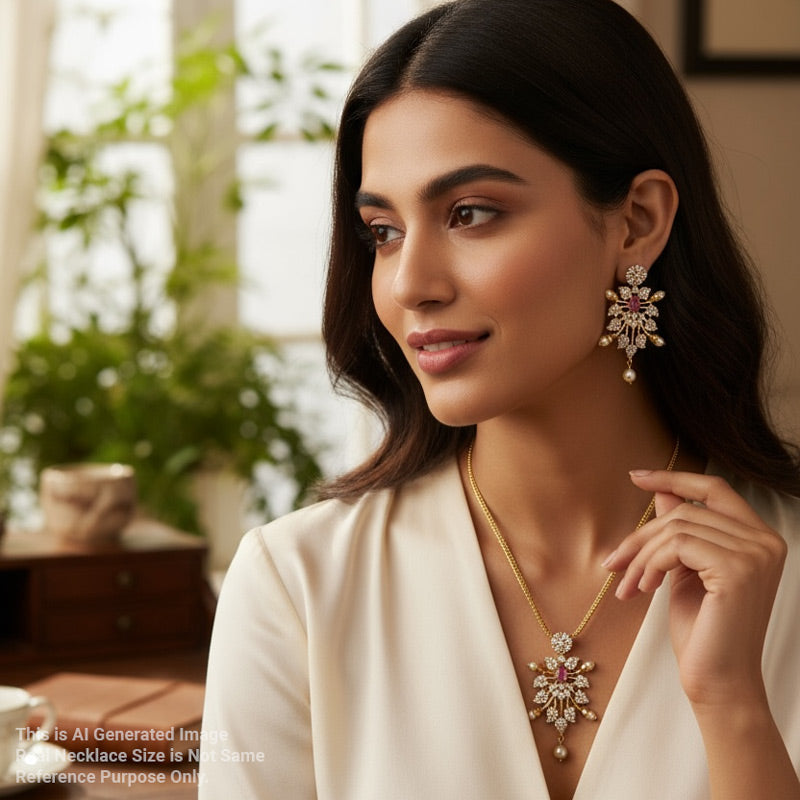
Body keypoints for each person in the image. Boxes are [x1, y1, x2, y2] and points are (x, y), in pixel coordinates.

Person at [199, 1, 800, 797]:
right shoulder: (298, 584)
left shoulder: (781, 571)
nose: (410, 284)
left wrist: (732, 709)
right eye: (383, 232)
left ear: (637, 223)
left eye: (470, 214)